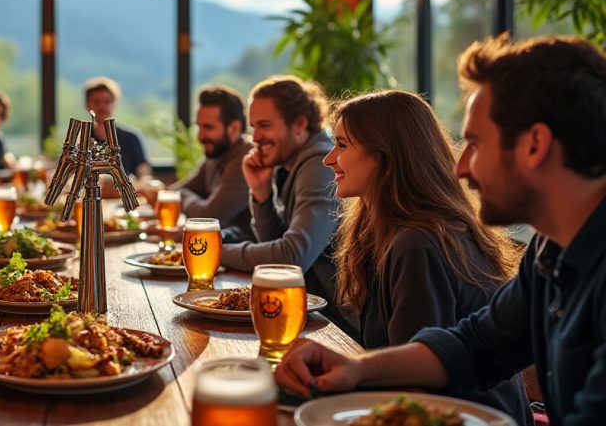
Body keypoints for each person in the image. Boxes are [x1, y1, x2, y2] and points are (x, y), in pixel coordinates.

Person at [275, 35, 606, 425]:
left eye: (476, 144)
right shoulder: (550, 251)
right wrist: (356, 368)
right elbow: (476, 346)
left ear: (535, 145)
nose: (461, 167)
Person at [322, 90, 531, 423]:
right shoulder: (397, 231)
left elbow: (414, 391)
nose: (329, 158)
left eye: (343, 145)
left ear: (386, 155)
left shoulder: (417, 244)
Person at [219, 76, 355, 335]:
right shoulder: (292, 165)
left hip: (338, 327)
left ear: (300, 123)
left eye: (265, 125)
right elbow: (277, 241)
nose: (255, 137)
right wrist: (261, 194)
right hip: (311, 314)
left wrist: (215, 252)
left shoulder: (319, 165)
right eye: (253, 127)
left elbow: (291, 258)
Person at [171, 85, 253, 243]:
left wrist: (186, 199)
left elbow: (206, 219)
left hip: (243, 259)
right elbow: (175, 192)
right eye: (199, 126)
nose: (200, 135)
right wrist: (195, 201)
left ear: (234, 128)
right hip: (217, 250)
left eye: (208, 127)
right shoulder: (216, 154)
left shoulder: (246, 159)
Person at [81, 77, 151, 178]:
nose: (102, 106)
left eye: (107, 101)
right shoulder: (81, 139)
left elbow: (143, 172)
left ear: (114, 104)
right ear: (87, 105)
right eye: (96, 102)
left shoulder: (131, 137)